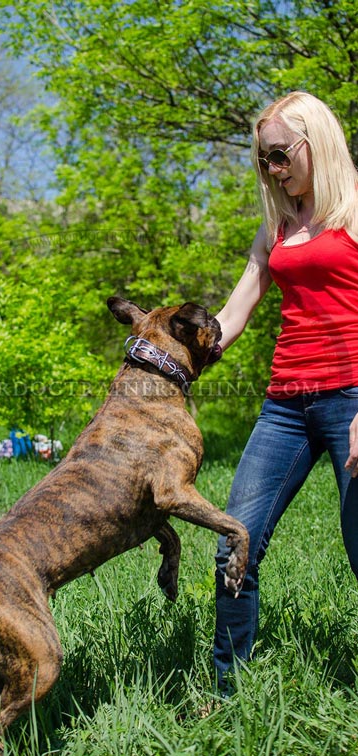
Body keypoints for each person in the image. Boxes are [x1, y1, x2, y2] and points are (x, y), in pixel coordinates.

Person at [212, 90, 358, 692]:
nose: (272, 170)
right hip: (285, 408)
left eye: (279, 156)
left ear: (314, 142)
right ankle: (227, 695)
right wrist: (164, 356)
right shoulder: (275, 226)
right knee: (233, 547)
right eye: (263, 160)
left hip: (353, 397)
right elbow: (234, 312)